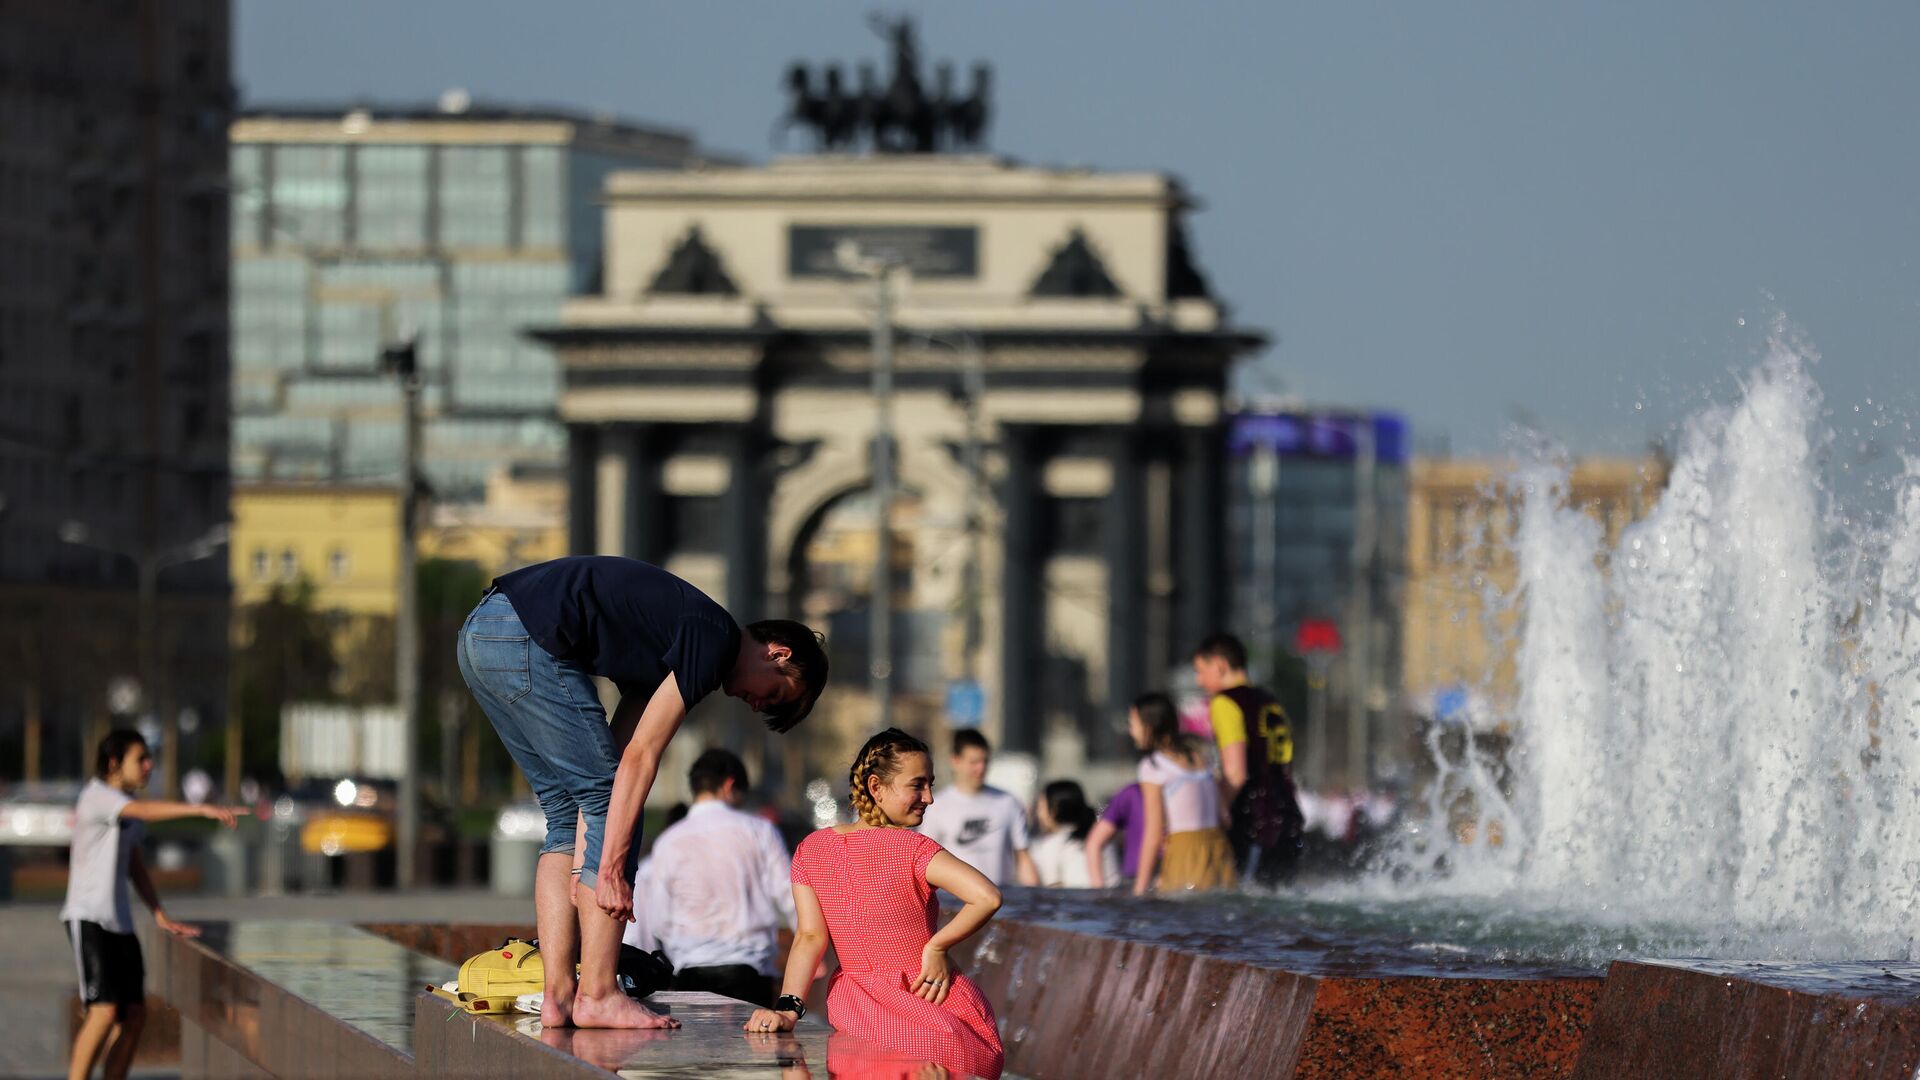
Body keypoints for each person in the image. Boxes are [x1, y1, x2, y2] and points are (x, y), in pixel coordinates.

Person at [457, 554, 828, 1029]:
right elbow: (638, 762)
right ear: (778, 652)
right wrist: (608, 868)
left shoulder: (673, 645)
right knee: (612, 804)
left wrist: (588, 859)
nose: (757, 704)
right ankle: (599, 994)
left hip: (482, 635)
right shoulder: (713, 638)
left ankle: (559, 997)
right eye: (774, 694)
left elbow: (619, 750)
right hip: (522, 634)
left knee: (567, 811)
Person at [743, 728, 1005, 1080]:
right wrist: (938, 947)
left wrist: (788, 1011)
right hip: (932, 1012)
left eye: (930, 784)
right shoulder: (914, 849)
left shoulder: (812, 850)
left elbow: (810, 938)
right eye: (917, 785)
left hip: (857, 1011)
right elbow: (987, 897)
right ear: (876, 787)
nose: (928, 797)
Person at [63, 731, 244, 1080]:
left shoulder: (126, 807)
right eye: (140, 759)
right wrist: (201, 808)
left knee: (134, 1015)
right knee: (103, 1011)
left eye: (150, 759)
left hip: (121, 923)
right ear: (114, 763)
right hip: (88, 918)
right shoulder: (98, 796)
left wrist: (160, 914)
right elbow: (143, 811)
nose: (149, 766)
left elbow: (134, 866)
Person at [633, 749, 794, 1006]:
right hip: (749, 972)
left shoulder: (668, 842)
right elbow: (789, 895)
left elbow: (660, 919)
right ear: (730, 785)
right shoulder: (760, 831)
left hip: (689, 972)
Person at [1193, 632, 1305, 887]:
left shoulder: (1225, 702)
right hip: (1289, 820)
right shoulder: (1270, 702)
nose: (1199, 681)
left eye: (1201, 671)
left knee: (1244, 911)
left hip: (1254, 824)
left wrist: (1214, 813)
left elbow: (1236, 773)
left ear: (1220, 665)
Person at [1129, 692, 1235, 894]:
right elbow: (1225, 818)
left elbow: (1153, 833)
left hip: (1184, 852)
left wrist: (1139, 889)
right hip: (1220, 851)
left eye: (1132, 723)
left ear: (1148, 726)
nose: (1131, 730)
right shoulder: (1202, 760)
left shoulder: (1153, 766)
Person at [915, 730, 1038, 887]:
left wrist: (1032, 894)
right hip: (952, 900)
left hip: (1001, 897)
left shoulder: (1008, 802)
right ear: (955, 761)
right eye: (974, 762)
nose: (981, 768)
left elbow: (1023, 856)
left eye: (985, 761)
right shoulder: (936, 805)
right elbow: (924, 859)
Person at [1028, 780, 1114, 889]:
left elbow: (1050, 889)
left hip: (1077, 903)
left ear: (1054, 810)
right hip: (1111, 902)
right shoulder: (1102, 838)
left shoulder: (1052, 844)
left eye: (1040, 807)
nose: (1038, 814)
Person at [1084, 782, 1144, 890]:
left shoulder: (1131, 793)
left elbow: (1093, 843)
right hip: (1136, 877)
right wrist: (1099, 890)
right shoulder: (1131, 793)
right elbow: (1094, 843)